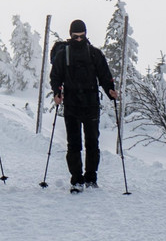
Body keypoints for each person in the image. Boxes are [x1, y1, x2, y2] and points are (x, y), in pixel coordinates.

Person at [50, 19, 119, 192]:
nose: (79, 40)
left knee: (92, 143)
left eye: (82, 36)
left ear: (86, 34)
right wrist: (57, 93)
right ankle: (76, 180)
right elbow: (56, 76)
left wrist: (110, 89)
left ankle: (91, 178)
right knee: (73, 144)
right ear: (70, 35)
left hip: (91, 105)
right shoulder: (63, 54)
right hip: (72, 105)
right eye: (75, 36)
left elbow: (104, 75)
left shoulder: (94, 54)